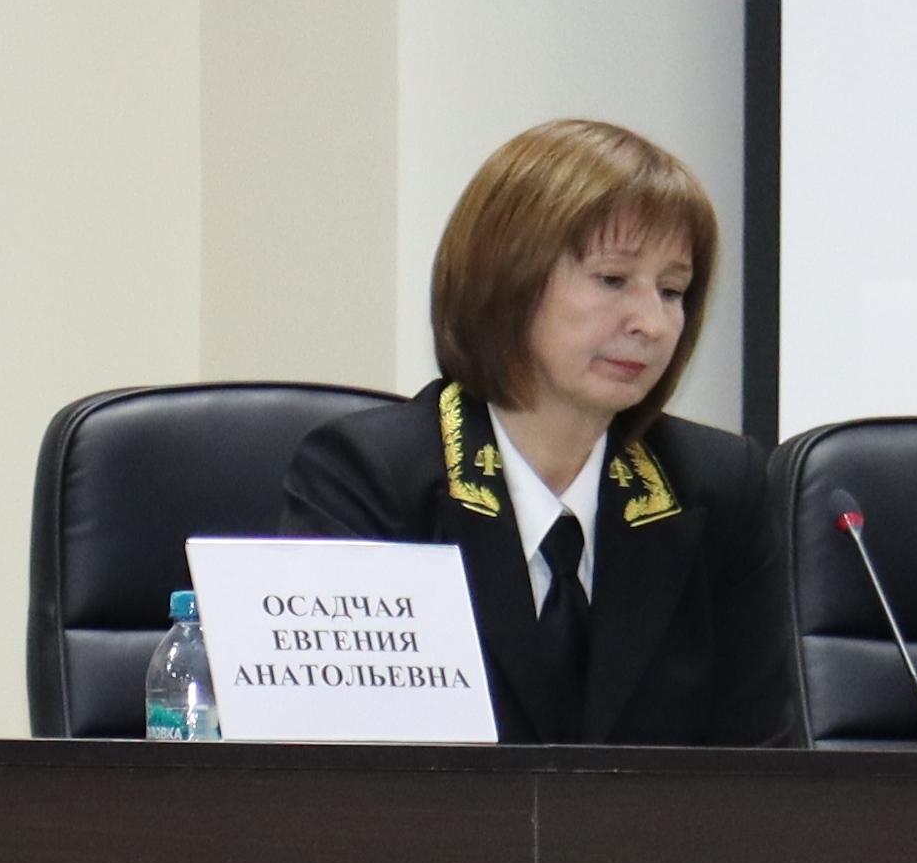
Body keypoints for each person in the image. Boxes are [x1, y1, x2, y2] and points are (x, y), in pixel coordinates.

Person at [279, 118, 790, 747]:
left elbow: (761, 772)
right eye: (612, 279)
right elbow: (335, 764)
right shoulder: (369, 478)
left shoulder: (718, 489)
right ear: (507, 279)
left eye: (672, 290)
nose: (653, 324)